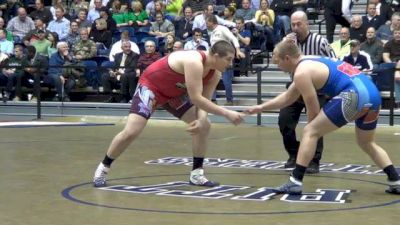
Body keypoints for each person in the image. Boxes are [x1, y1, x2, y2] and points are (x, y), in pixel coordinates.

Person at [246, 39, 400, 195]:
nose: (278, 67)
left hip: (354, 95)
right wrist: (261, 107)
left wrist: (311, 134)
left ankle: (295, 181)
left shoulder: (301, 72)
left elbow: (313, 109)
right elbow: (288, 97)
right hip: (373, 94)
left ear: (287, 58)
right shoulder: (310, 61)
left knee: (310, 131)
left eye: (278, 63)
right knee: (367, 142)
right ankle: (395, 180)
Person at [93, 40, 245, 187]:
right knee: (132, 131)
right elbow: (196, 98)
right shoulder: (194, 60)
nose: (230, 64)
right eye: (228, 59)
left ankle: (197, 174)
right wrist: (227, 113)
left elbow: (204, 101)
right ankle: (103, 168)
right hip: (151, 87)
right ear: (216, 56)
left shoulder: (215, 73)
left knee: (204, 125)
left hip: (173, 93)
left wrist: (200, 120)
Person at [279, 11, 336, 173]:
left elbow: (333, 62)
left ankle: (313, 160)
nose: (295, 28)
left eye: (299, 24)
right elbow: (282, 65)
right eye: (293, 24)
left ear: (307, 24)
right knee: (284, 121)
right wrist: (285, 48)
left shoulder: (320, 41)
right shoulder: (288, 42)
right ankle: (294, 154)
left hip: (318, 89)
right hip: (296, 87)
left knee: (315, 125)